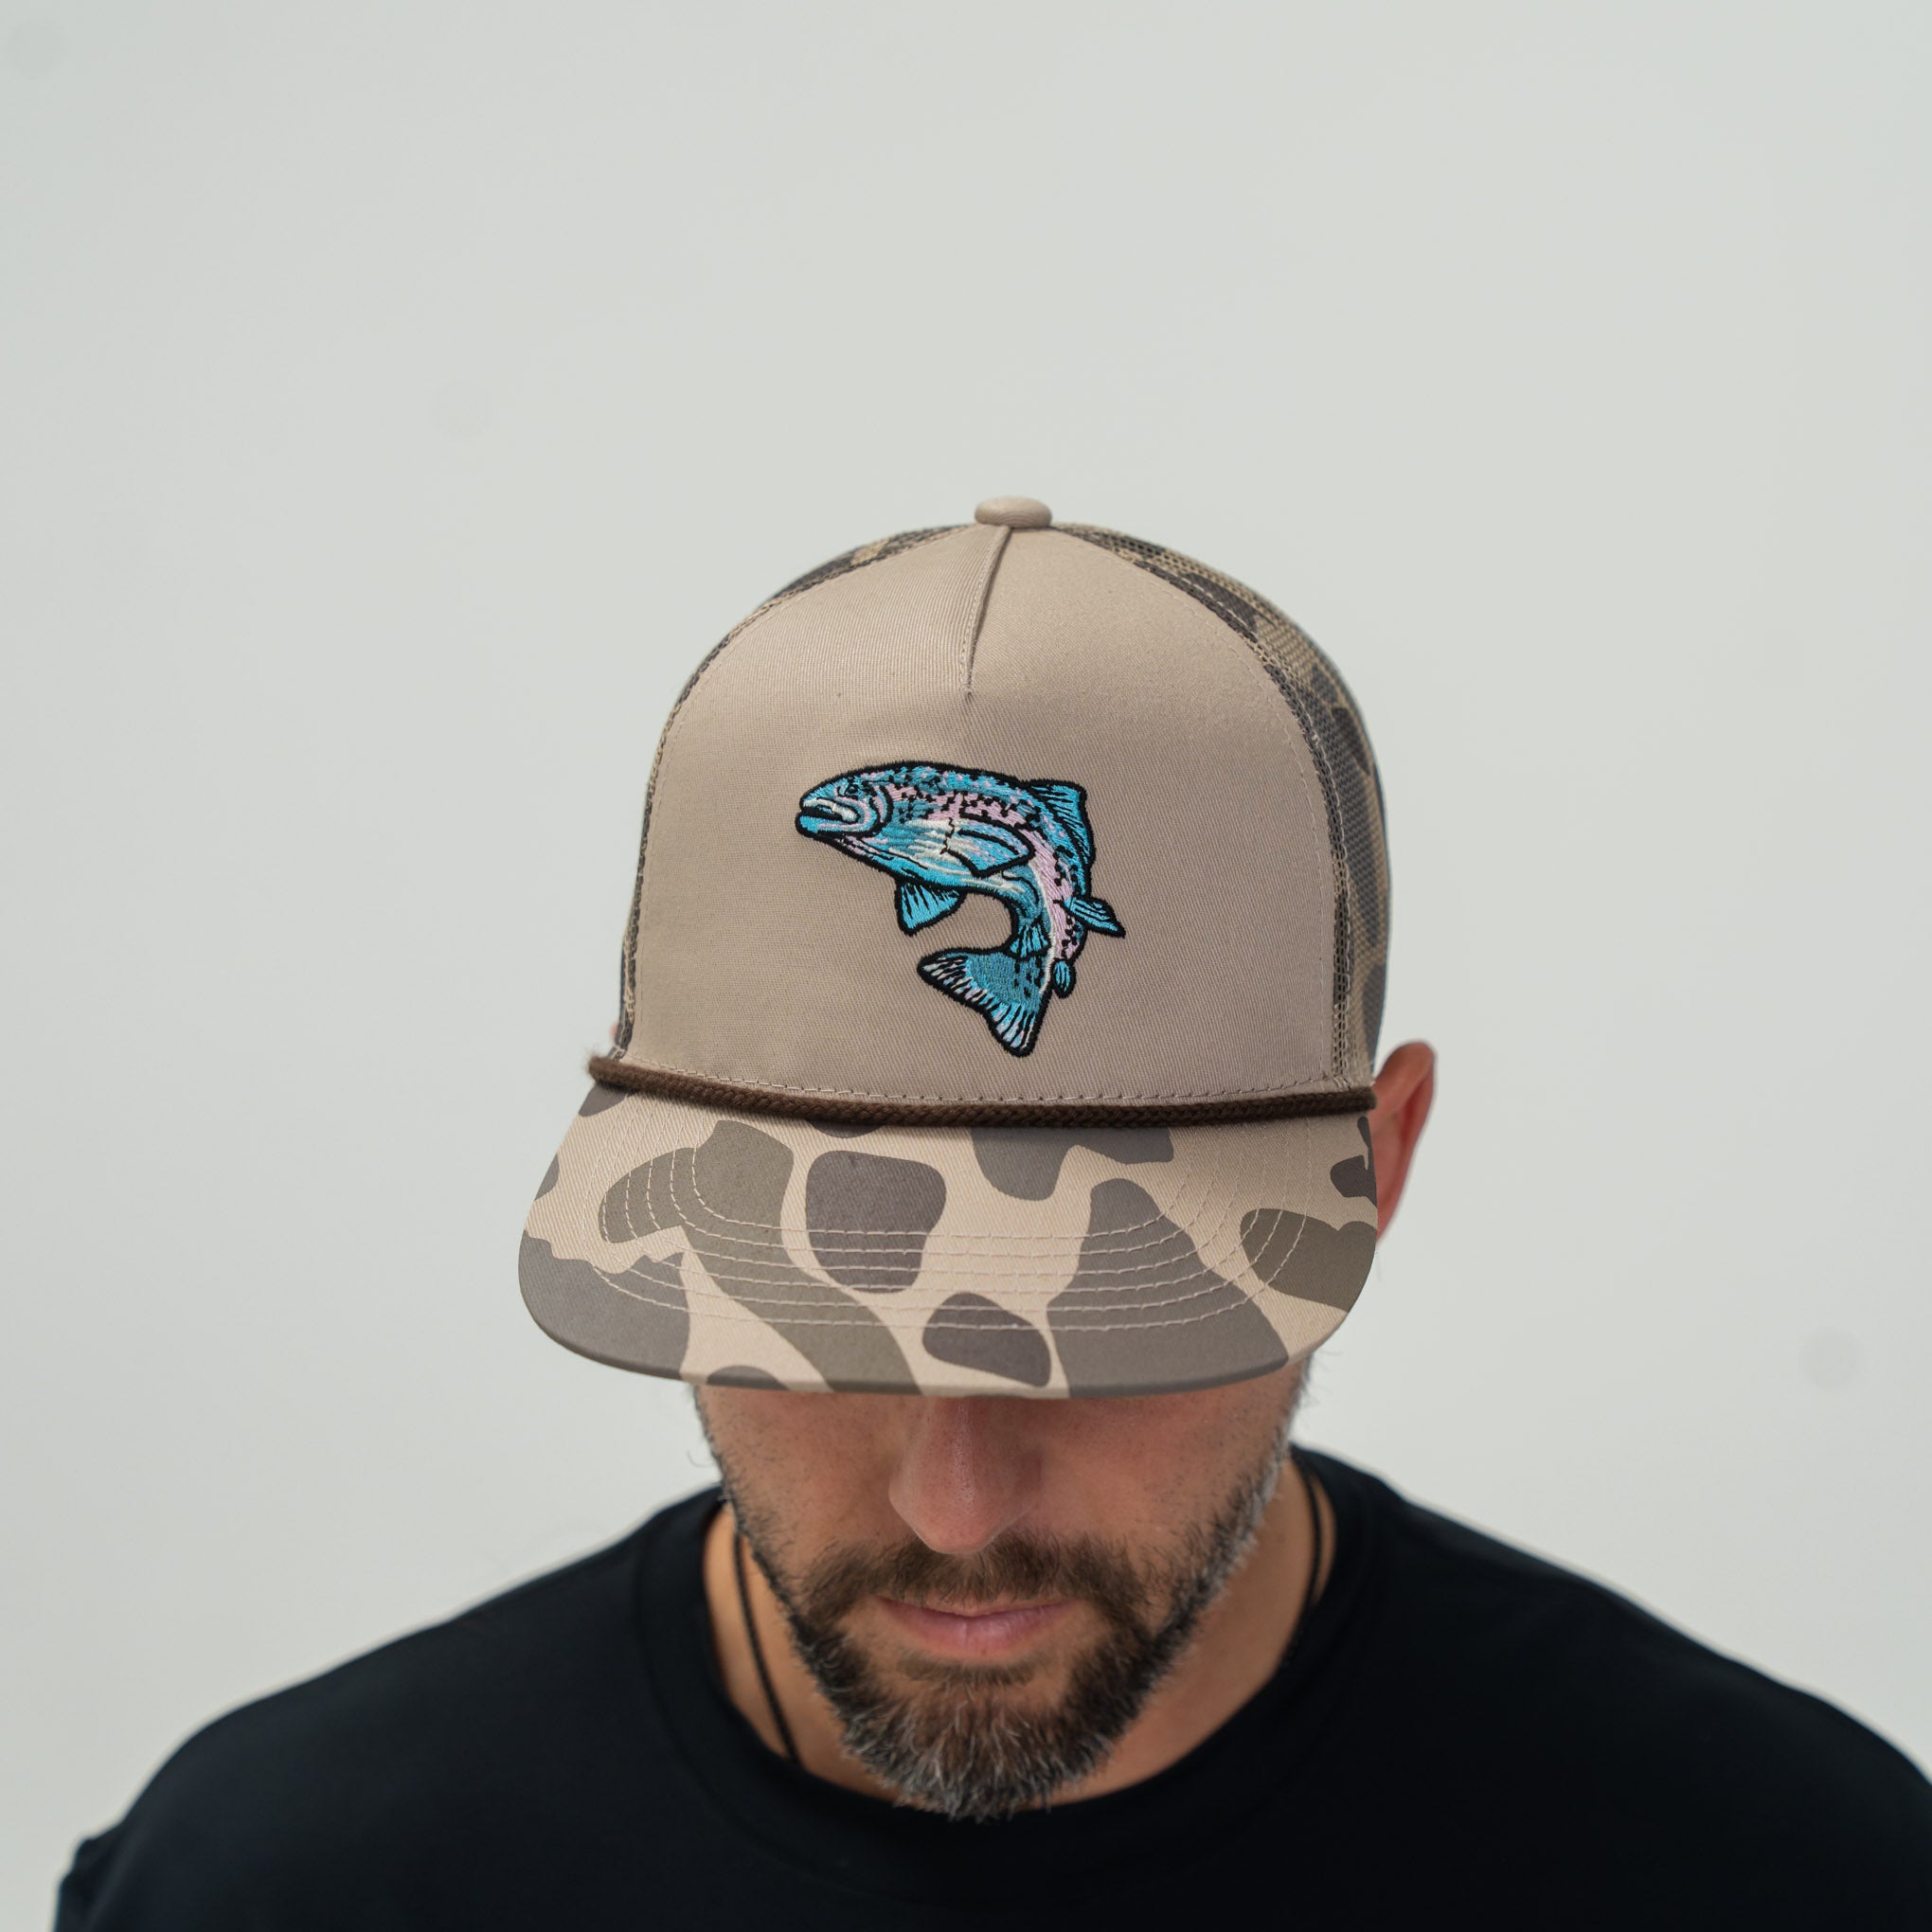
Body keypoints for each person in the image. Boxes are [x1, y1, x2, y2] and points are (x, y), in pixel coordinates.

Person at [56, 498, 1931, 1928]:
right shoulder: (266, 1887)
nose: (957, 1503)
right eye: (819, 1311)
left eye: (1110, 1312)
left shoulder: (1790, 1876)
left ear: (1381, 1164)